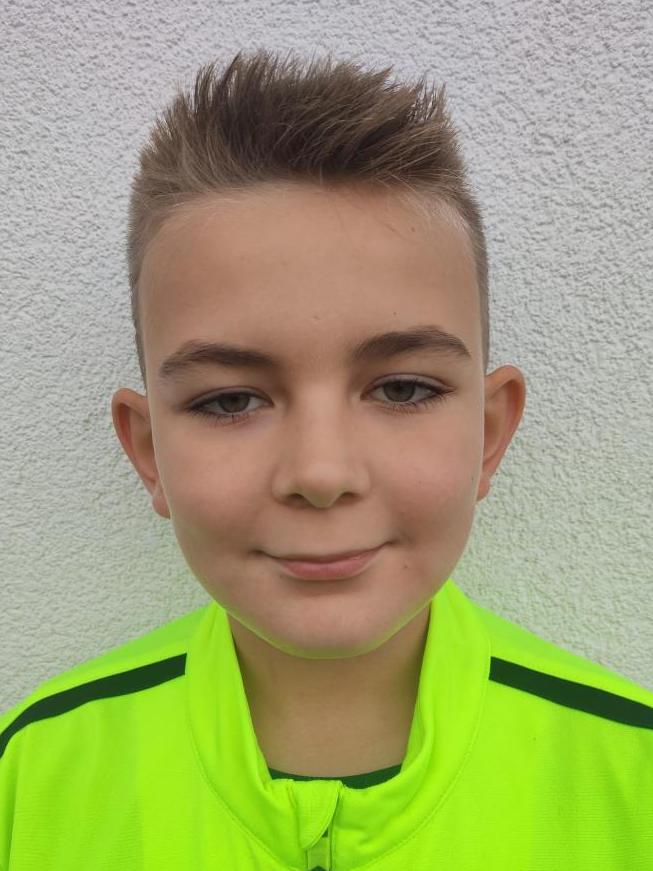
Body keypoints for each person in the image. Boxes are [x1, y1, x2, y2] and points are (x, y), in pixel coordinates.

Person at [1, 48, 651, 871]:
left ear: (488, 433)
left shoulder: (631, 776)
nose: (320, 473)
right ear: (147, 449)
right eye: (229, 401)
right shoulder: (32, 775)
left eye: (402, 388)